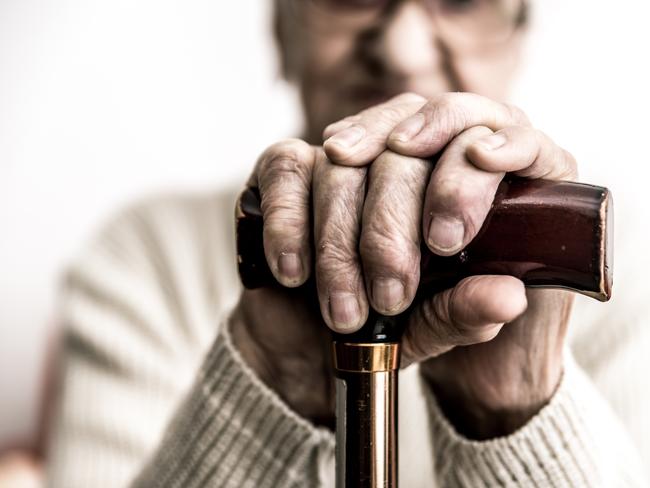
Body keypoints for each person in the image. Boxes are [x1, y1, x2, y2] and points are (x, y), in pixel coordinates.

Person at [37, 0, 649, 486]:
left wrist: (517, 408)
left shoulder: (616, 252)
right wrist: (271, 376)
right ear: (282, 32)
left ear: (519, 37)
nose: (403, 53)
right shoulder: (146, 258)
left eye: (462, 1)